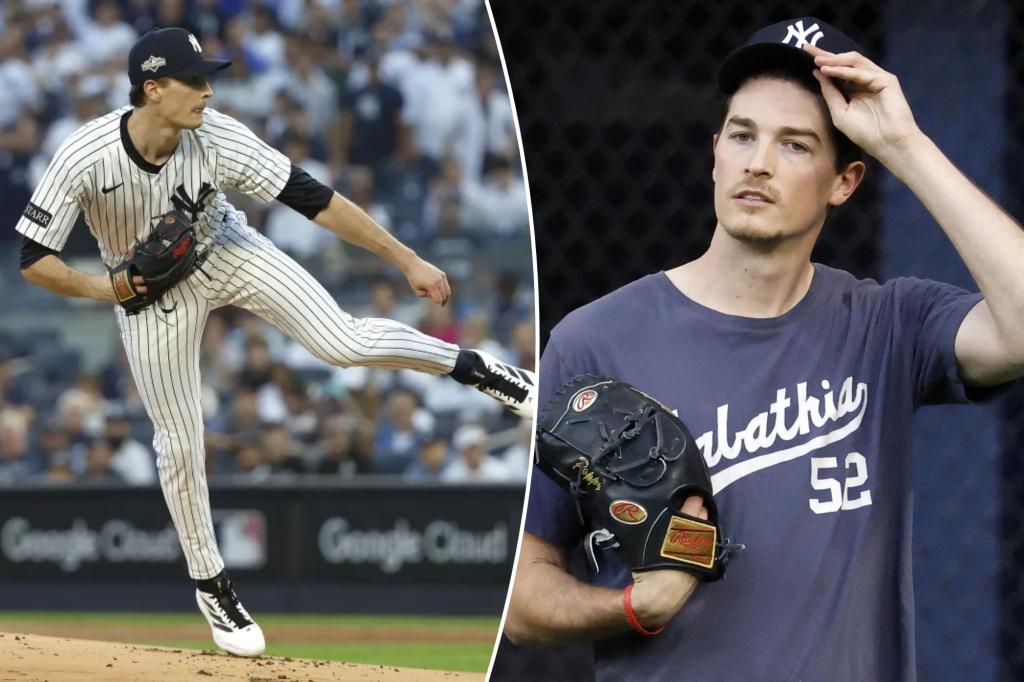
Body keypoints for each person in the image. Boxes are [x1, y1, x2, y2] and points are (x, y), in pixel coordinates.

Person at [504, 17, 1024, 681]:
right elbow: (520, 596)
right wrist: (634, 607)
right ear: (715, 152)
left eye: (796, 145)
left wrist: (907, 145)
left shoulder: (888, 326)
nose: (759, 161)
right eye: (743, 135)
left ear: (846, 181)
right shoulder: (594, 340)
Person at [16, 28, 535, 658]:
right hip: (147, 294)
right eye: (194, 79)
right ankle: (213, 588)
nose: (209, 90)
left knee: (342, 341)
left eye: (210, 77)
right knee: (179, 443)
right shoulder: (85, 154)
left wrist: (406, 259)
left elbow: (313, 198)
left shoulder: (218, 135)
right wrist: (113, 289)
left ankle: (482, 371)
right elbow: (34, 260)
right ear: (152, 90)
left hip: (227, 248)